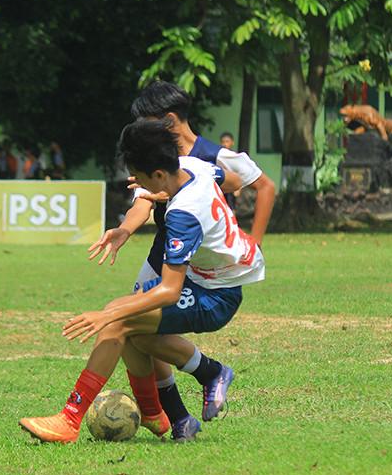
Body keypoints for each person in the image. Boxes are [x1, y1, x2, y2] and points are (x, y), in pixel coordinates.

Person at [19, 118, 263, 443]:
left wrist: (107, 316)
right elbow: (232, 179)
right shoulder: (192, 167)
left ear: (159, 174)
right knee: (137, 335)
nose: (140, 188)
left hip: (215, 295)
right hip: (208, 279)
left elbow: (169, 290)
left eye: (143, 181)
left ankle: (70, 419)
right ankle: (169, 405)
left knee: (118, 320)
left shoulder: (183, 215)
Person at [88, 80, 276, 441]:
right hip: (167, 251)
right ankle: (178, 418)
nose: (142, 130)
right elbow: (143, 199)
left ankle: (190, 395)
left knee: (138, 322)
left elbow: (262, 186)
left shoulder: (212, 157)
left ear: (169, 120)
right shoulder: (157, 154)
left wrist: (254, 242)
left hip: (203, 261)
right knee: (141, 325)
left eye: (148, 122)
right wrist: (126, 230)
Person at [218, 131, 238, 209]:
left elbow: (239, 172)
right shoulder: (220, 156)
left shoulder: (234, 156)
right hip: (223, 184)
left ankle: (233, 221)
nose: (225, 144)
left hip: (232, 184)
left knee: (231, 206)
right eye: (223, 142)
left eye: (227, 141)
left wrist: (238, 189)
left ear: (232, 142)